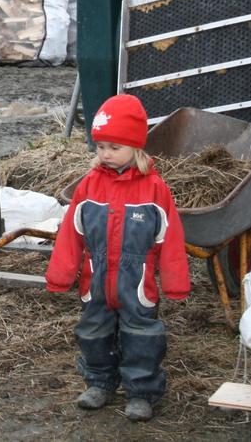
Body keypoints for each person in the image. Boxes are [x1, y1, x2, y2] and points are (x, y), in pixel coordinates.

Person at [44, 94, 190, 422]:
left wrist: (175, 283)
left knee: (141, 335)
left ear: (135, 147)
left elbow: (171, 240)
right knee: (92, 331)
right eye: (100, 147)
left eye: (114, 147)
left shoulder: (154, 190)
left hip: (136, 280)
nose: (106, 154)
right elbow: (71, 234)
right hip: (95, 278)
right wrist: (60, 275)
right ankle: (100, 381)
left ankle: (141, 391)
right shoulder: (89, 186)